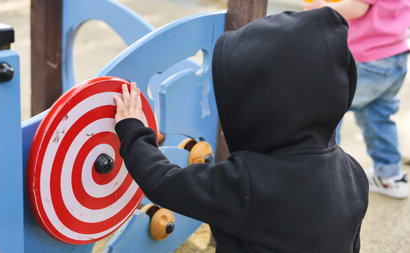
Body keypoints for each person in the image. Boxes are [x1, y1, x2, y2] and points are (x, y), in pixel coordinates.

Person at [114, 8, 368, 252]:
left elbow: (165, 183)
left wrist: (132, 130)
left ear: (258, 107)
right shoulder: (353, 173)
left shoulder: (247, 184)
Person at [304, 0, 410, 199]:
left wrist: (322, 8)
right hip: (396, 56)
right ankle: (390, 177)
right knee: (378, 115)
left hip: (367, 59)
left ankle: (326, 177)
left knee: (331, 109)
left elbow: (358, 6)